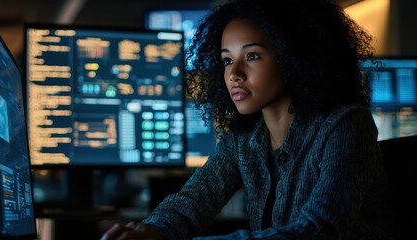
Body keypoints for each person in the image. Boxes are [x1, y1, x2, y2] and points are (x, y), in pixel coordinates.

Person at [101, 0, 398, 239]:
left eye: (252, 56)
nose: (234, 74)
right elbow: (192, 203)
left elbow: (319, 229)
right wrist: (152, 231)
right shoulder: (244, 139)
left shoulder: (346, 125)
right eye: (227, 60)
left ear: (295, 58)